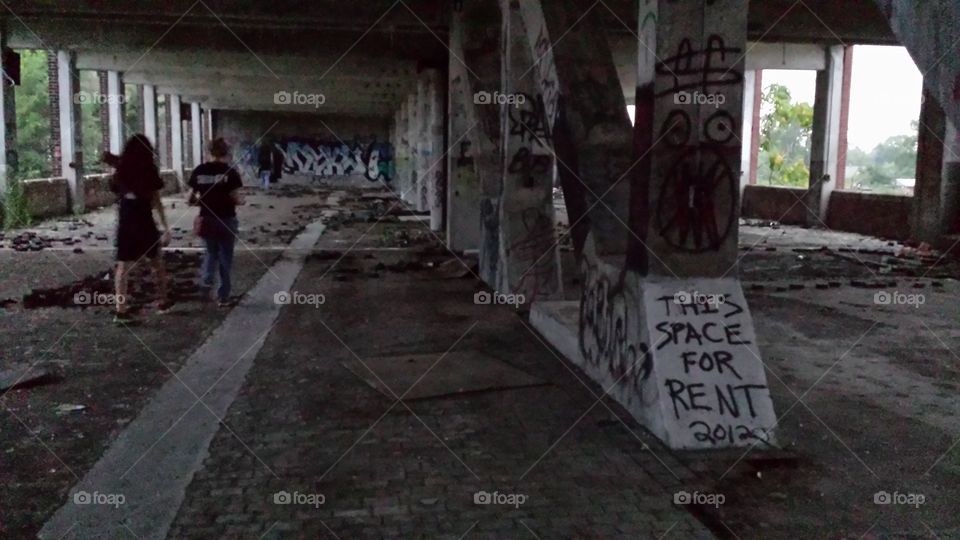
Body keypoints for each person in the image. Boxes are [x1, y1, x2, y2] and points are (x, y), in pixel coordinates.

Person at [110, 135, 171, 325]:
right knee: (156, 262)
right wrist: (165, 227)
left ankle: (120, 310)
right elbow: (156, 200)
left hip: (126, 219)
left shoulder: (121, 169)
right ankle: (163, 301)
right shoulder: (149, 170)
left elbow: (115, 191)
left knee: (122, 266)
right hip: (144, 219)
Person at [188, 138, 244, 307]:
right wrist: (241, 201)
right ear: (226, 152)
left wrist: (202, 201)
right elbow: (235, 197)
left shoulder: (199, 171)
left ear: (209, 152)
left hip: (207, 219)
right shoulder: (230, 172)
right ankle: (223, 296)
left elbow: (189, 198)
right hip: (226, 219)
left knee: (210, 253)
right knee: (225, 258)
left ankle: (206, 283)